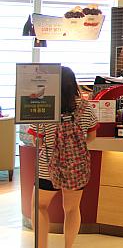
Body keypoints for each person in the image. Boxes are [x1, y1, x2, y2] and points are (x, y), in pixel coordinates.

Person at [29, 66, 98, 248]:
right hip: (76, 167)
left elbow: (37, 140)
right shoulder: (85, 107)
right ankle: (68, 246)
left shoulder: (45, 106)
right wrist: (74, 147)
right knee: (72, 209)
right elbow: (91, 136)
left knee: (39, 206)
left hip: (47, 166)